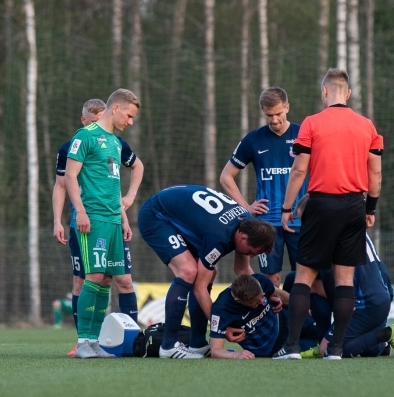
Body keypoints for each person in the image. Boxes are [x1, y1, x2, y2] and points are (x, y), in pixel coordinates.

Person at [273, 68, 384, 360]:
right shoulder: (367, 126)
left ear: (324, 92)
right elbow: (376, 172)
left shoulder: (311, 123)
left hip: (321, 205)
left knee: (304, 277)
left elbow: (299, 169)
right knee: (344, 280)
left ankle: (293, 347)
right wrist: (370, 208)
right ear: (347, 93)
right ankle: (336, 349)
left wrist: (286, 208)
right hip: (354, 206)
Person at [138, 185, 275, 359]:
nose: (250, 255)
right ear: (243, 238)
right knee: (188, 271)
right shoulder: (219, 236)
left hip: (178, 211)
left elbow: (242, 270)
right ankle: (169, 346)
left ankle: (198, 344)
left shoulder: (246, 223)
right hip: (155, 215)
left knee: (208, 272)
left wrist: (264, 295)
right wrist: (221, 328)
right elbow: (199, 288)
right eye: (250, 251)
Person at [52, 98, 144, 356]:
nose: (130, 121)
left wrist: (126, 206)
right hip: (92, 219)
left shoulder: (116, 142)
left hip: (114, 219)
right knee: (90, 278)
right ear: (116, 108)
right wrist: (79, 212)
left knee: (105, 280)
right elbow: (68, 177)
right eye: (128, 115)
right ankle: (83, 342)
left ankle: (96, 341)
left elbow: (119, 180)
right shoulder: (84, 136)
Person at [289, 194, 394, 359]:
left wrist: (342, 303)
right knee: (369, 351)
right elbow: (381, 268)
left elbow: (329, 277)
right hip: (381, 299)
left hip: (365, 304)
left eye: (306, 219)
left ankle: (387, 334)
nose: (305, 225)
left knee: (330, 350)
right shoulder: (355, 227)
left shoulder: (328, 235)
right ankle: (380, 342)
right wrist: (388, 295)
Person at [220, 87, 307, 287]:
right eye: (269, 115)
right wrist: (246, 207)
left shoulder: (304, 134)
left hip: (300, 221)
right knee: (271, 280)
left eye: (278, 113)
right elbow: (226, 177)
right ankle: (272, 319)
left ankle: (299, 319)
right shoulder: (253, 139)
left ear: (287, 107)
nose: (274, 119)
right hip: (267, 225)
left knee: (304, 279)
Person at [209, 273, 295, 359]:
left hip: (286, 323)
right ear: (238, 300)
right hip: (272, 349)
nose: (262, 301)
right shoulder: (220, 310)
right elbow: (215, 351)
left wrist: (303, 309)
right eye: (257, 302)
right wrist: (236, 355)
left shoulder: (260, 280)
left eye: (263, 295)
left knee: (292, 276)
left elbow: (281, 295)